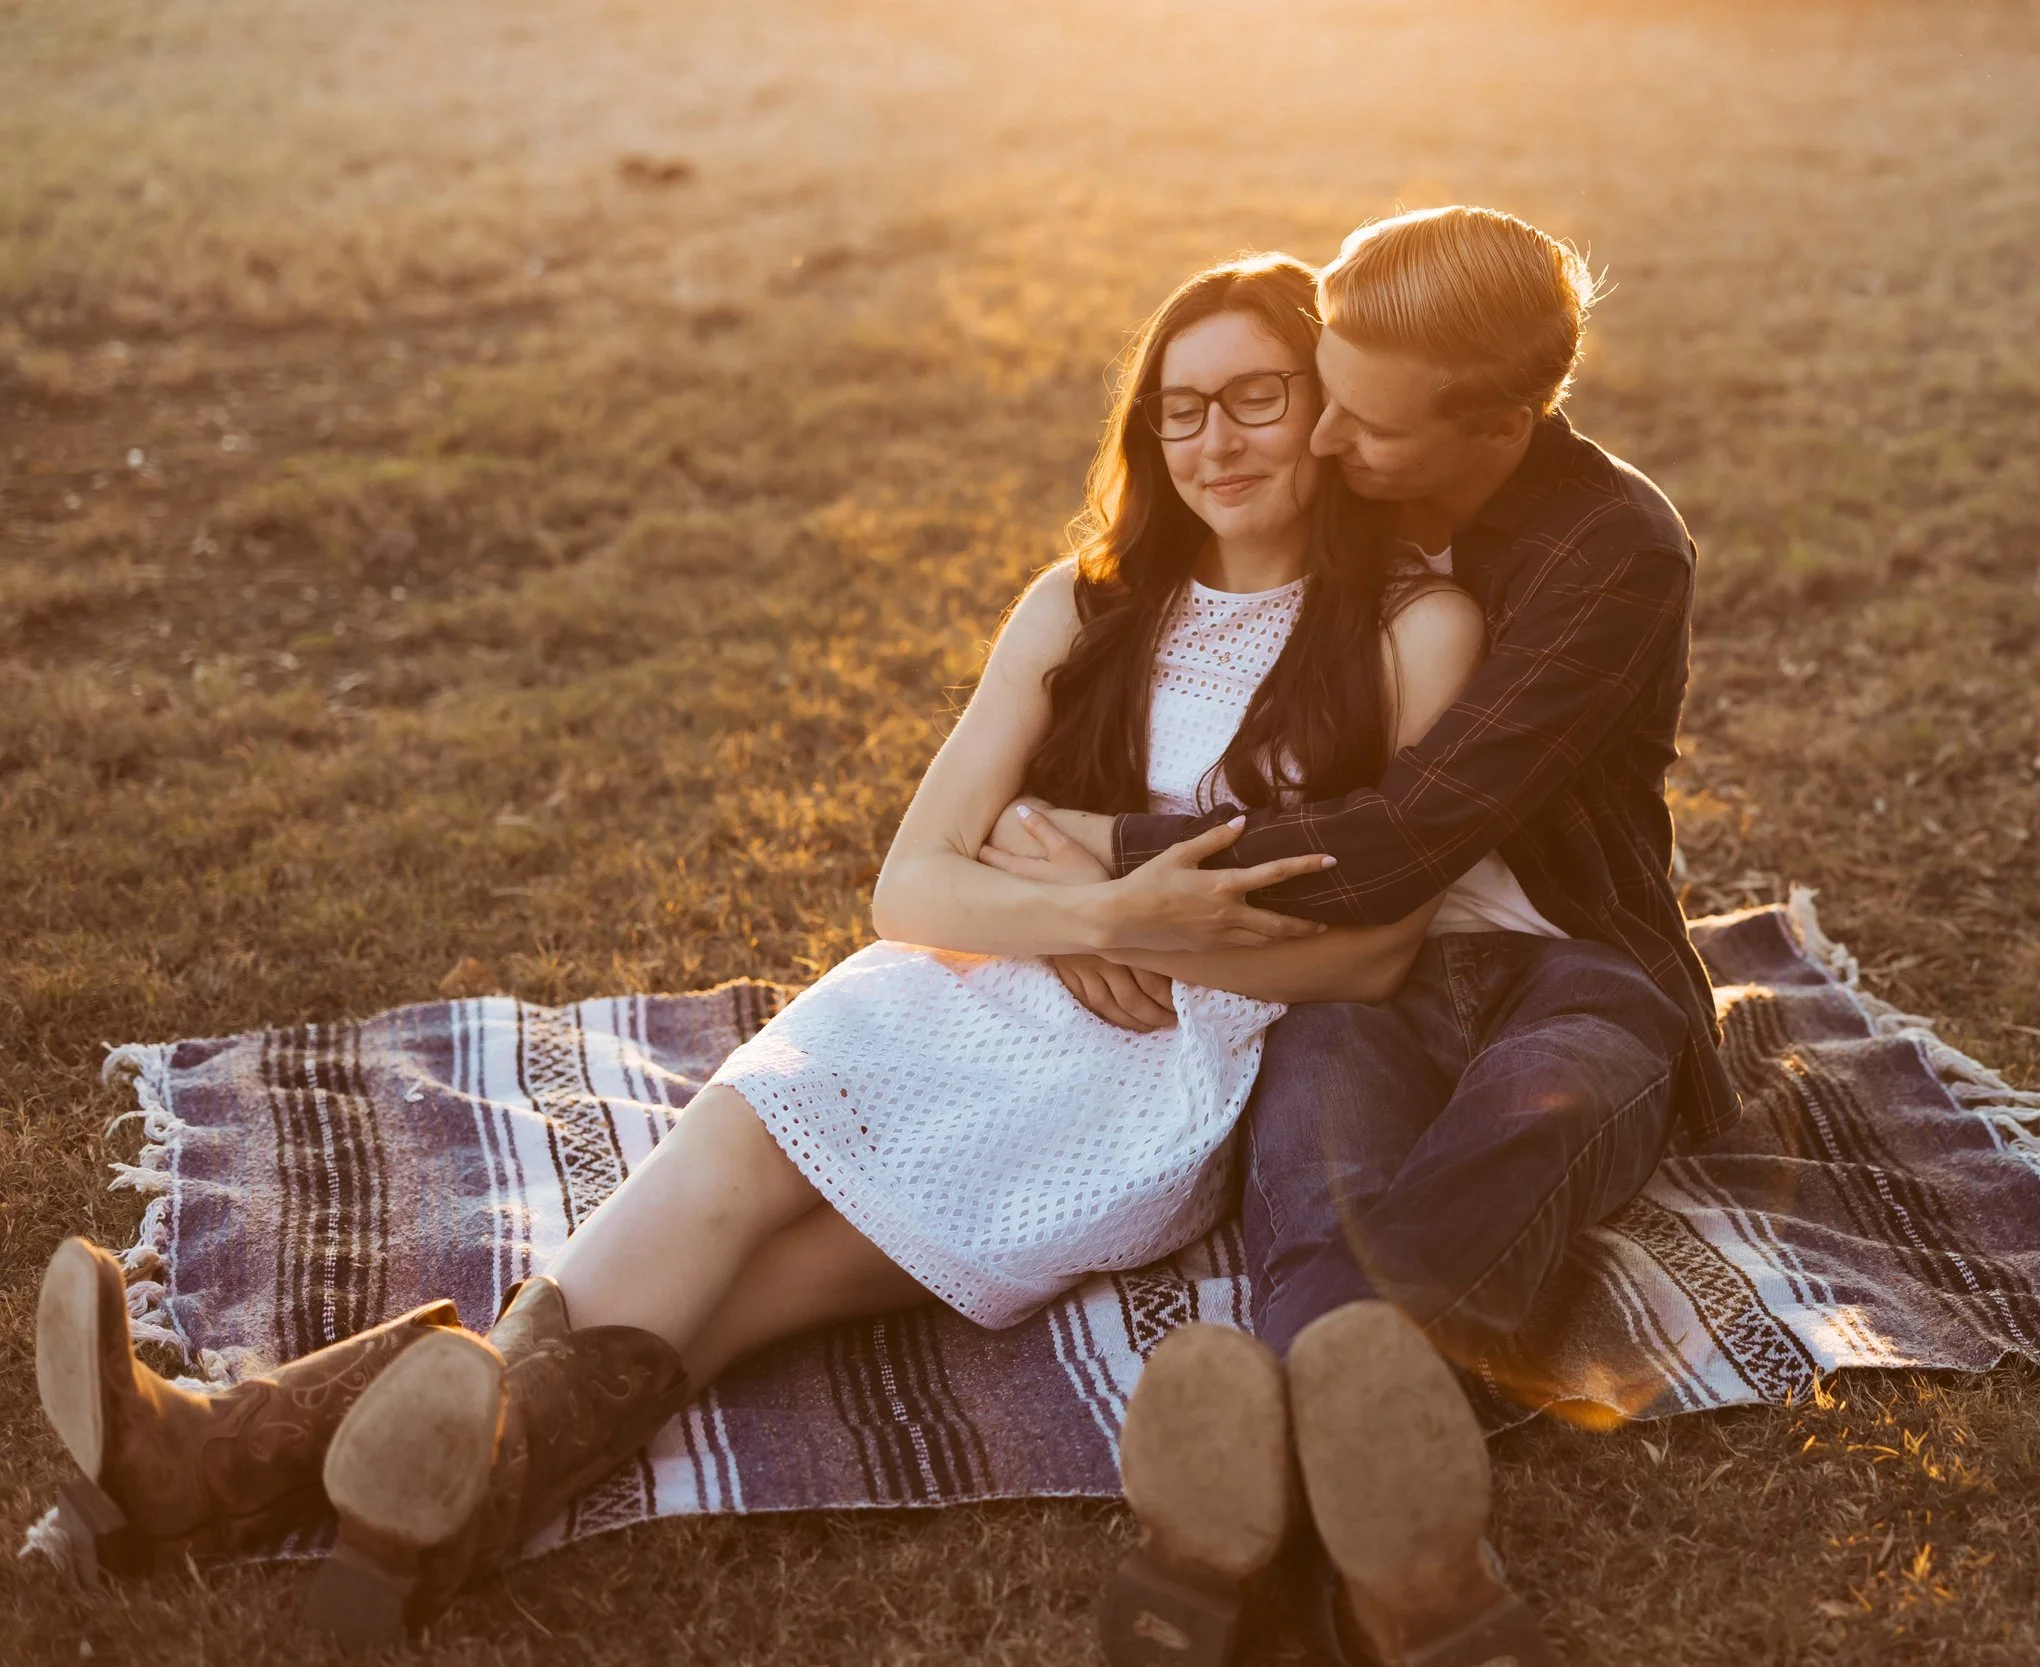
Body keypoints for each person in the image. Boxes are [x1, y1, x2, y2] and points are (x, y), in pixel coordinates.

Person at [30, 252, 1489, 1642]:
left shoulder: (1412, 632)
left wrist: (1133, 922)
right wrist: (1107, 914)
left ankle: (234, 1458)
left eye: (1257, 396)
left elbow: (1370, 957)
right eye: (1181, 407)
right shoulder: (1086, 600)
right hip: (957, 989)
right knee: (720, 1200)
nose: (1216, 439)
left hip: (1152, 1083)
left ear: (1331, 413)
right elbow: (910, 886)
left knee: (738, 1289)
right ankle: (349, 1507)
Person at [984, 207, 1738, 1667]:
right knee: (1317, 1171)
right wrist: (1069, 876)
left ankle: (1243, 1511)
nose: (1320, 443)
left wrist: (1111, 860)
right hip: (1352, 956)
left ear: (1503, 423)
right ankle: (1398, 1570)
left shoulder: (1615, 552)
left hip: (1567, 953)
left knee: (1528, 1128)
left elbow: (1403, 835)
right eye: (1320, 392)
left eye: (1365, 424)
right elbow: (1164, 633)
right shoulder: (1338, 473)